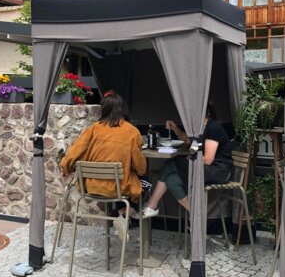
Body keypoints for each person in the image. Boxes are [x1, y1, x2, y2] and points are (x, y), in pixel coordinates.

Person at [60, 90, 146, 239]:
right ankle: (121, 215)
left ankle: (119, 216)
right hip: (118, 189)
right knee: (146, 185)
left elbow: (75, 151)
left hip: (91, 187)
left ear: (104, 109)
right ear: (123, 109)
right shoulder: (132, 132)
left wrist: (65, 168)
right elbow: (141, 168)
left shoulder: (93, 129)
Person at [142, 101, 232, 216]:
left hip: (218, 171)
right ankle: (196, 214)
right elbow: (189, 141)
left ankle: (151, 205)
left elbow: (208, 160)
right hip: (207, 168)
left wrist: (188, 161)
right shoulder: (200, 129)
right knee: (171, 180)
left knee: (172, 162)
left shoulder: (213, 128)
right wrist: (175, 129)